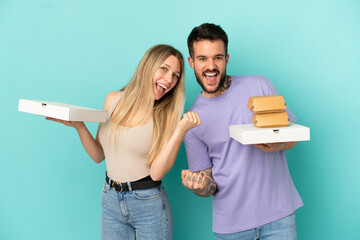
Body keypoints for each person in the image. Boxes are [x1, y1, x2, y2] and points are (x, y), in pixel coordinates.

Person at [47, 44, 201, 240]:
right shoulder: (113, 100)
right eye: (164, 69)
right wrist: (80, 126)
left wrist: (179, 131)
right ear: (148, 66)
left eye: (175, 75)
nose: (169, 80)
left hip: (148, 203)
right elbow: (98, 155)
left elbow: (157, 172)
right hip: (110, 198)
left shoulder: (168, 116)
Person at [181, 23, 303, 240]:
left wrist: (278, 145)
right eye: (202, 59)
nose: (211, 66)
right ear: (191, 62)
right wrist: (198, 186)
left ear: (226, 59)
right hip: (231, 226)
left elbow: (292, 136)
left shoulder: (260, 86)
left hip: (279, 217)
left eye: (217, 57)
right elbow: (209, 184)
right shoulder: (191, 121)